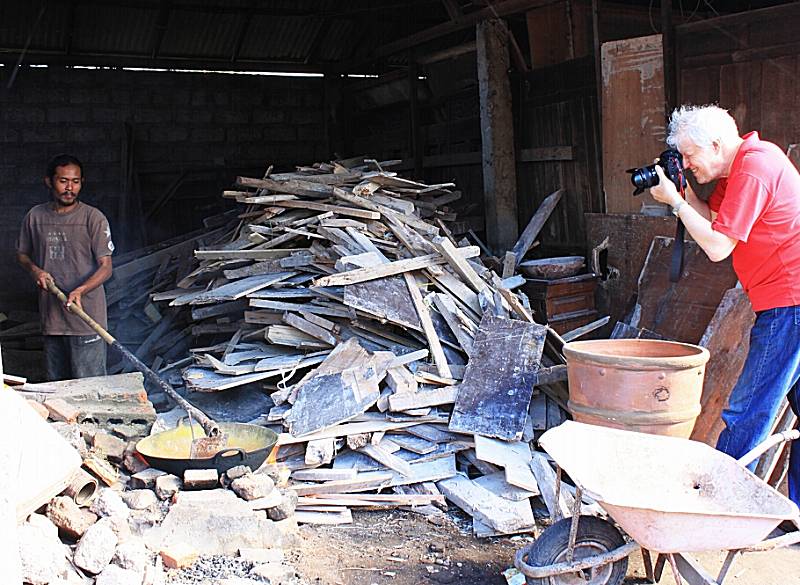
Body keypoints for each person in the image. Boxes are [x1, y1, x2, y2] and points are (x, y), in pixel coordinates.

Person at [649, 104, 800, 514]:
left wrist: (677, 205)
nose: (686, 163)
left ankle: (714, 509)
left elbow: (717, 246)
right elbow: (712, 218)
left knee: (747, 409)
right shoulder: (734, 174)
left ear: (715, 144)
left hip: (791, 303)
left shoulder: (755, 166)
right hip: (787, 301)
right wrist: (680, 192)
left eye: (689, 155)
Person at [16, 154, 115, 381]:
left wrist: (80, 290)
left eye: (76, 181)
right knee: (58, 388)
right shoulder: (35, 217)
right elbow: (22, 254)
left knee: (91, 387)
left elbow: (106, 267)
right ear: (49, 182)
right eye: (63, 181)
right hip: (52, 319)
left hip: (86, 318)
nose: (70, 188)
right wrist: (35, 270)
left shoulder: (93, 218)